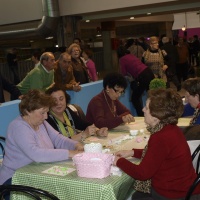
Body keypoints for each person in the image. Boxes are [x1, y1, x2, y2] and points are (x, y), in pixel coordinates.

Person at [113, 88, 200, 200]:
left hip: (176, 194)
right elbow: (156, 155)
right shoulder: (170, 128)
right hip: (184, 188)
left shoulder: (161, 137)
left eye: (147, 108)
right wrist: (132, 152)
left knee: (134, 196)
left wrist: (118, 161)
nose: (143, 109)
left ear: (156, 116)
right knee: (136, 195)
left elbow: (142, 173)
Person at [0, 89, 83, 188]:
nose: (46, 117)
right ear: (28, 111)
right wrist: (70, 153)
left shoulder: (41, 122)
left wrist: (76, 145)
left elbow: (58, 139)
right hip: (14, 179)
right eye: (42, 113)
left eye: (47, 112)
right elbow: (36, 154)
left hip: (36, 174)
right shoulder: (18, 127)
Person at [118, 46, 154, 116]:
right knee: (151, 95)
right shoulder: (131, 55)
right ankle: (153, 113)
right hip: (149, 72)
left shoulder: (122, 59)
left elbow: (123, 73)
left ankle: (141, 115)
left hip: (143, 76)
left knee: (135, 98)